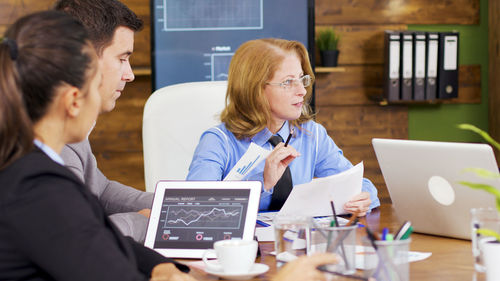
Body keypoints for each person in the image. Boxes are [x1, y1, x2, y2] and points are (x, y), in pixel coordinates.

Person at [0, 10, 192, 281]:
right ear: (74, 101)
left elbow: (93, 232)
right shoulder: (39, 188)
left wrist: (159, 266)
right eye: (94, 85)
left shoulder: (24, 162)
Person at [187, 38, 380, 215]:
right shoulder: (219, 141)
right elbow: (194, 208)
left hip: (299, 247)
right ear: (255, 90)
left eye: (302, 79)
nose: (302, 91)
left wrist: (363, 197)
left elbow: (355, 183)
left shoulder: (312, 134)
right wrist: (263, 182)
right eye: (288, 82)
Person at [54, 0, 153, 242]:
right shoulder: (53, 140)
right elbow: (75, 239)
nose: (129, 75)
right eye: (122, 59)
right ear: (84, 60)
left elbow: (101, 189)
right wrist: (141, 221)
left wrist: (170, 202)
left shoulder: (72, 124)